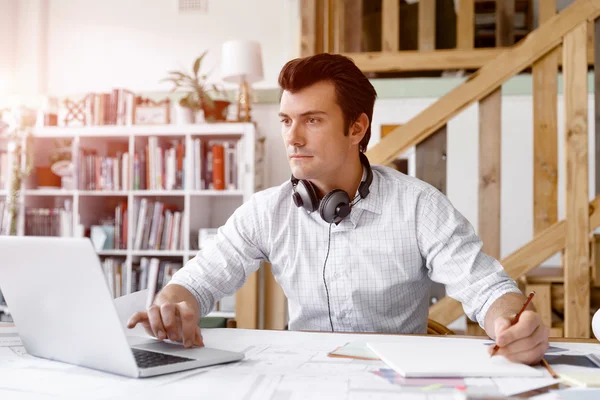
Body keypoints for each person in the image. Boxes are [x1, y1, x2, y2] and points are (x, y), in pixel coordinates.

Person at [128, 53, 549, 364]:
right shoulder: (265, 211)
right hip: (300, 378)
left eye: (312, 120)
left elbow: (486, 288)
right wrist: (172, 304)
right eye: (285, 120)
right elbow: (195, 284)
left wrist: (511, 323)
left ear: (357, 127)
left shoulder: (419, 205)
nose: (291, 138)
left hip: (394, 381)